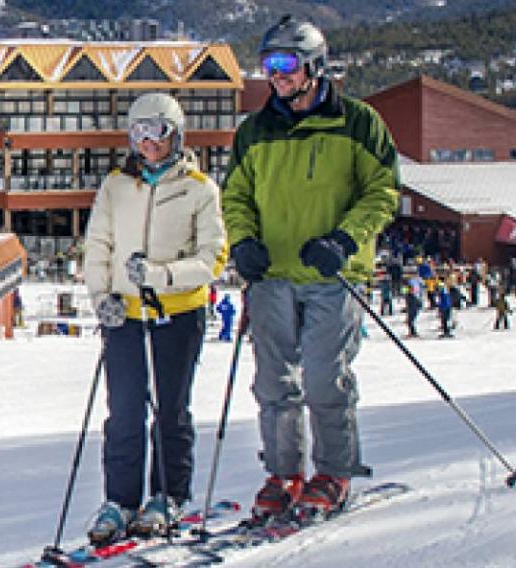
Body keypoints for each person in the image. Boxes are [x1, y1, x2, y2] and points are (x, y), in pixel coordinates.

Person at [223, 15, 398, 524]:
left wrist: (345, 240)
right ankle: (283, 474)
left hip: (330, 273)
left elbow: (383, 192)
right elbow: (236, 196)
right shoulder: (254, 131)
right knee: (275, 384)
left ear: (314, 66)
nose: (275, 75)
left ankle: (334, 472)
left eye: (285, 63)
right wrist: (244, 242)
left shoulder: (359, 122)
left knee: (325, 377)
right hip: (272, 273)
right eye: (268, 64)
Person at [80, 92, 227, 544]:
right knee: (123, 410)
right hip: (124, 314)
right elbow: (98, 244)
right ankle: (121, 500)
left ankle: (168, 493)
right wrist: (101, 294)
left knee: (170, 408)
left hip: (177, 312)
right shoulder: (116, 186)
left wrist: (162, 276)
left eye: (157, 131)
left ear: (176, 134)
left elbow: (213, 257)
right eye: (139, 132)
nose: (148, 142)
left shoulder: (199, 188)